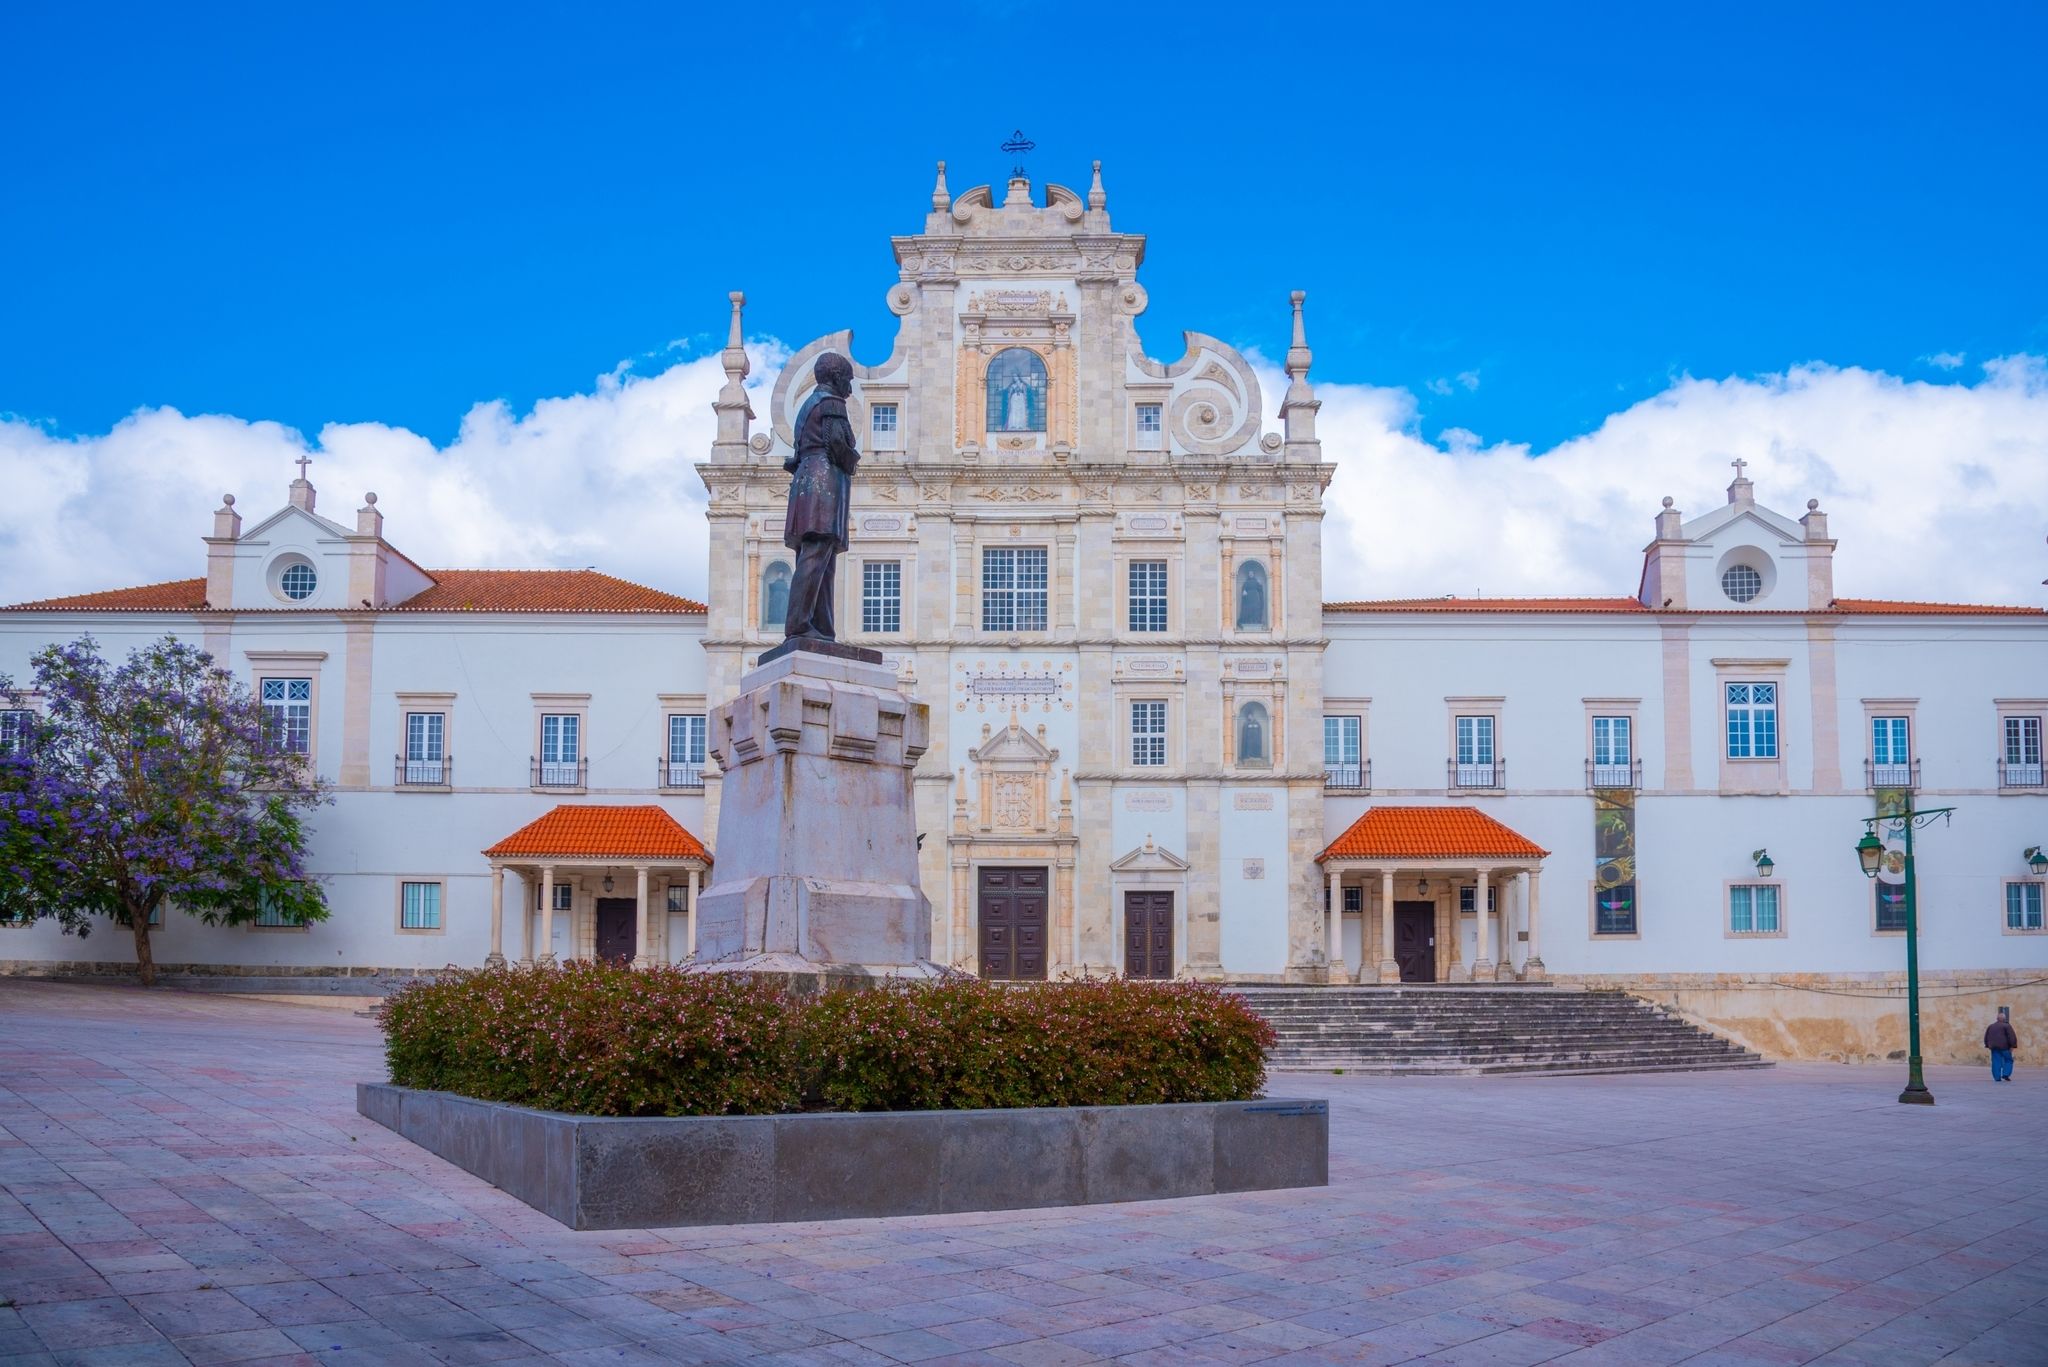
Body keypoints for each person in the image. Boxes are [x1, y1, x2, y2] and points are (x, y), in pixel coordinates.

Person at [781, 353, 860, 642]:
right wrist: (853, 460)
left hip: (807, 483)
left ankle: (823, 628)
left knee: (821, 560)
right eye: (848, 380)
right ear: (837, 378)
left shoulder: (808, 405)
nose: (849, 389)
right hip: (822, 485)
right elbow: (838, 443)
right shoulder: (831, 402)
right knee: (816, 557)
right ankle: (799, 624)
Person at [1985, 1008, 2018, 1083]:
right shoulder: (2007, 1026)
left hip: (1994, 1047)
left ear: (1997, 1019)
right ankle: (2006, 1074)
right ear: (2004, 1019)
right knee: (2009, 1060)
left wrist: (1987, 1045)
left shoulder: (1991, 1026)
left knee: (1996, 1061)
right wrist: (2013, 1045)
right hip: (2004, 1047)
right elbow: (2011, 1036)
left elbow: (1986, 1036)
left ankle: (1997, 1077)